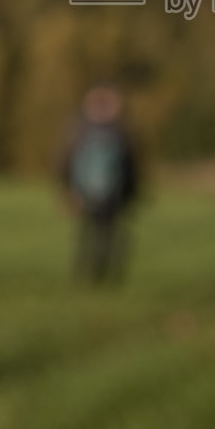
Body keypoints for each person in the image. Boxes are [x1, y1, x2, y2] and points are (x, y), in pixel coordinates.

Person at [58, 85, 140, 285]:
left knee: (95, 234)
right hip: (101, 193)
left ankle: (90, 275)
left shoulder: (83, 129)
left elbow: (63, 161)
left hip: (98, 193)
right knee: (98, 234)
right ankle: (95, 275)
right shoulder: (119, 131)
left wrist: (66, 189)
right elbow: (133, 166)